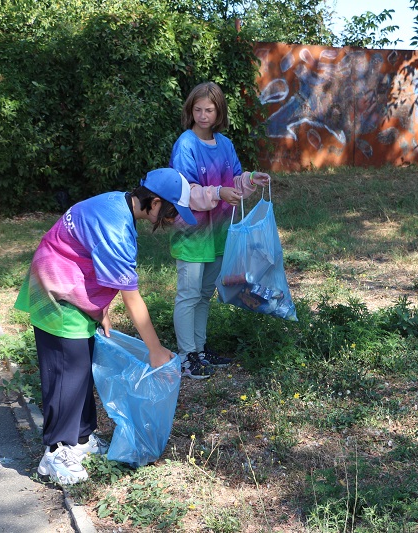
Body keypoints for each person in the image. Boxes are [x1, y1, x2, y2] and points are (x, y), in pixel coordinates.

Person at [14, 168, 196, 485]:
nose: (169, 221)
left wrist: (99, 310)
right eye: (169, 213)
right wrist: (155, 350)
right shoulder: (118, 230)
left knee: (81, 367)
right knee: (66, 372)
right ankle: (55, 454)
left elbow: (91, 255)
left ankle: (81, 440)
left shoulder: (117, 201)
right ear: (153, 202)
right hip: (56, 290)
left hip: (70, 285)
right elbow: (132, 298)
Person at [169, 81, 271, 378]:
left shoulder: (225, 144)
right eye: (197, 109)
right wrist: (218, 193)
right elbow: (184, 191)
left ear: (219, 112)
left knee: (203, 294)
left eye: (209, 110)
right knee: (188, 295)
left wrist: (252, 179)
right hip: (191, 233)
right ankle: (186, 356)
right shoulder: (185, 144)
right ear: (190, 111)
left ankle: (199, 350)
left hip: (218, 234)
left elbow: (235, 182)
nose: (203, 115)